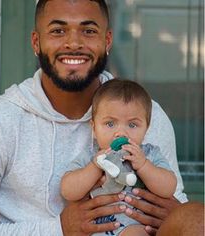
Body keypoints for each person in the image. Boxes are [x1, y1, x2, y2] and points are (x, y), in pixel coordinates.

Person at [0, 0, 187, 235]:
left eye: (89, 31)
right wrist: (59, 228)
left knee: (196, 219)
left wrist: (176, 213)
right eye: (58, 31)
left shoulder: (143, 115)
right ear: (36, 42)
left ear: (107, 41)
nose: (74, 43)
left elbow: (176, 204)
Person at [61, 79, 177, 236]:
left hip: (136, 226)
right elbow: (68, 191)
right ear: (94, 128)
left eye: (132, 125)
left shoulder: (149, 154)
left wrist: (143, 166)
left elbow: (168, 187)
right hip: (99, 227)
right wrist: (95, 167)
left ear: (146, 129)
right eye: (110, 124)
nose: (121, 133)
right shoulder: (91, 156)